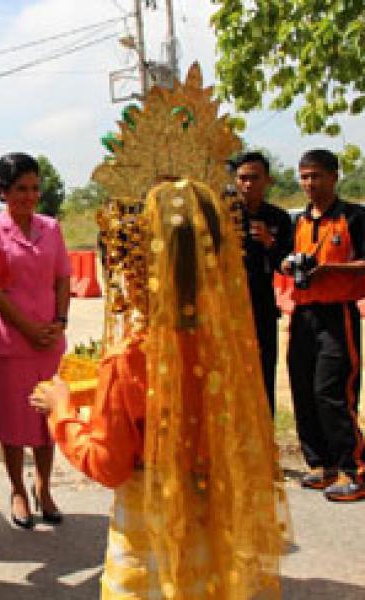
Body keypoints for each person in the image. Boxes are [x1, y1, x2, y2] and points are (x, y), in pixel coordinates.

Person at [32, 179, 287, 598]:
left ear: (137, 266)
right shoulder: (229, 348)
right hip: (213, 536)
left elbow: (107, 464)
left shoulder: (131, 357)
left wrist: (61, 411)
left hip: (149, 540)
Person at [283, 148, 365, 501]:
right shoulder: (299, 221)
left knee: (333, 391)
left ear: (333, 177)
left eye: (317, 176)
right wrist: (289, 266)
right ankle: (322, 465)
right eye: (305, 177)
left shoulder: (354, 217)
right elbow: (287, 259)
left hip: (337, 312)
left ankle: (357, 472)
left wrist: (330, 270)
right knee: (302, 387)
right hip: (302, 313)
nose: (310, 184)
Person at [0, 152, 71, 529]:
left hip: (49, 339)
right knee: (14, 421)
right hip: (10, 342)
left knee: (48, 418)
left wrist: (59, 321)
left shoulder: (52, 227)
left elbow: (62, 277)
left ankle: (44, 487)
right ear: (2, 192)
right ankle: (17, 488)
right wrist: (27, 328)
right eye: (20, 189)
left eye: (34, 188)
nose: (29, 197)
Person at [233, 151, 293, 414]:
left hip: (262, 304)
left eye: (254, 178)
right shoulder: (223, 215)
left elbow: (287, 261)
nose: (248, 184)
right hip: (229, 306)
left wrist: (270, 243)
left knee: (264, 367)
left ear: (267, 180)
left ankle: (264, 429)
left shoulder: (278, 218)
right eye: (242, 178)